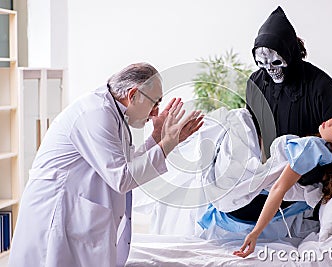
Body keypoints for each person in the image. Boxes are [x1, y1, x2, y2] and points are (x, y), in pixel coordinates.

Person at [8, 63, 204, 267]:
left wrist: (157, 138)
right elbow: (122, 178)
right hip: (55, 211)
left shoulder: (112, 113)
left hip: (76, 211)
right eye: (155, 103)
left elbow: (127, 165)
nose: (156, 113)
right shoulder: (95, 113)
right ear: (133, 94)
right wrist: (167, 143)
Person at [234, 6, 332, 221]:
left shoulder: (324, 90)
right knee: (231, 200)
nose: (270, 69)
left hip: (307, 180)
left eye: (276, 62)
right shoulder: (256, 83)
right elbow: (253, 133)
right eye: (261, 64)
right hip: (271, 173)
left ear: (290, 53)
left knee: (246, 208)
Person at [233, 111, 332, 258]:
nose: (331, 122)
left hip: (246, 182)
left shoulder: (312, 147)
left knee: (239, 117)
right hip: (252, 185)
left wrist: (255, 233)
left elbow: (279, 188)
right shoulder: (330, 160)